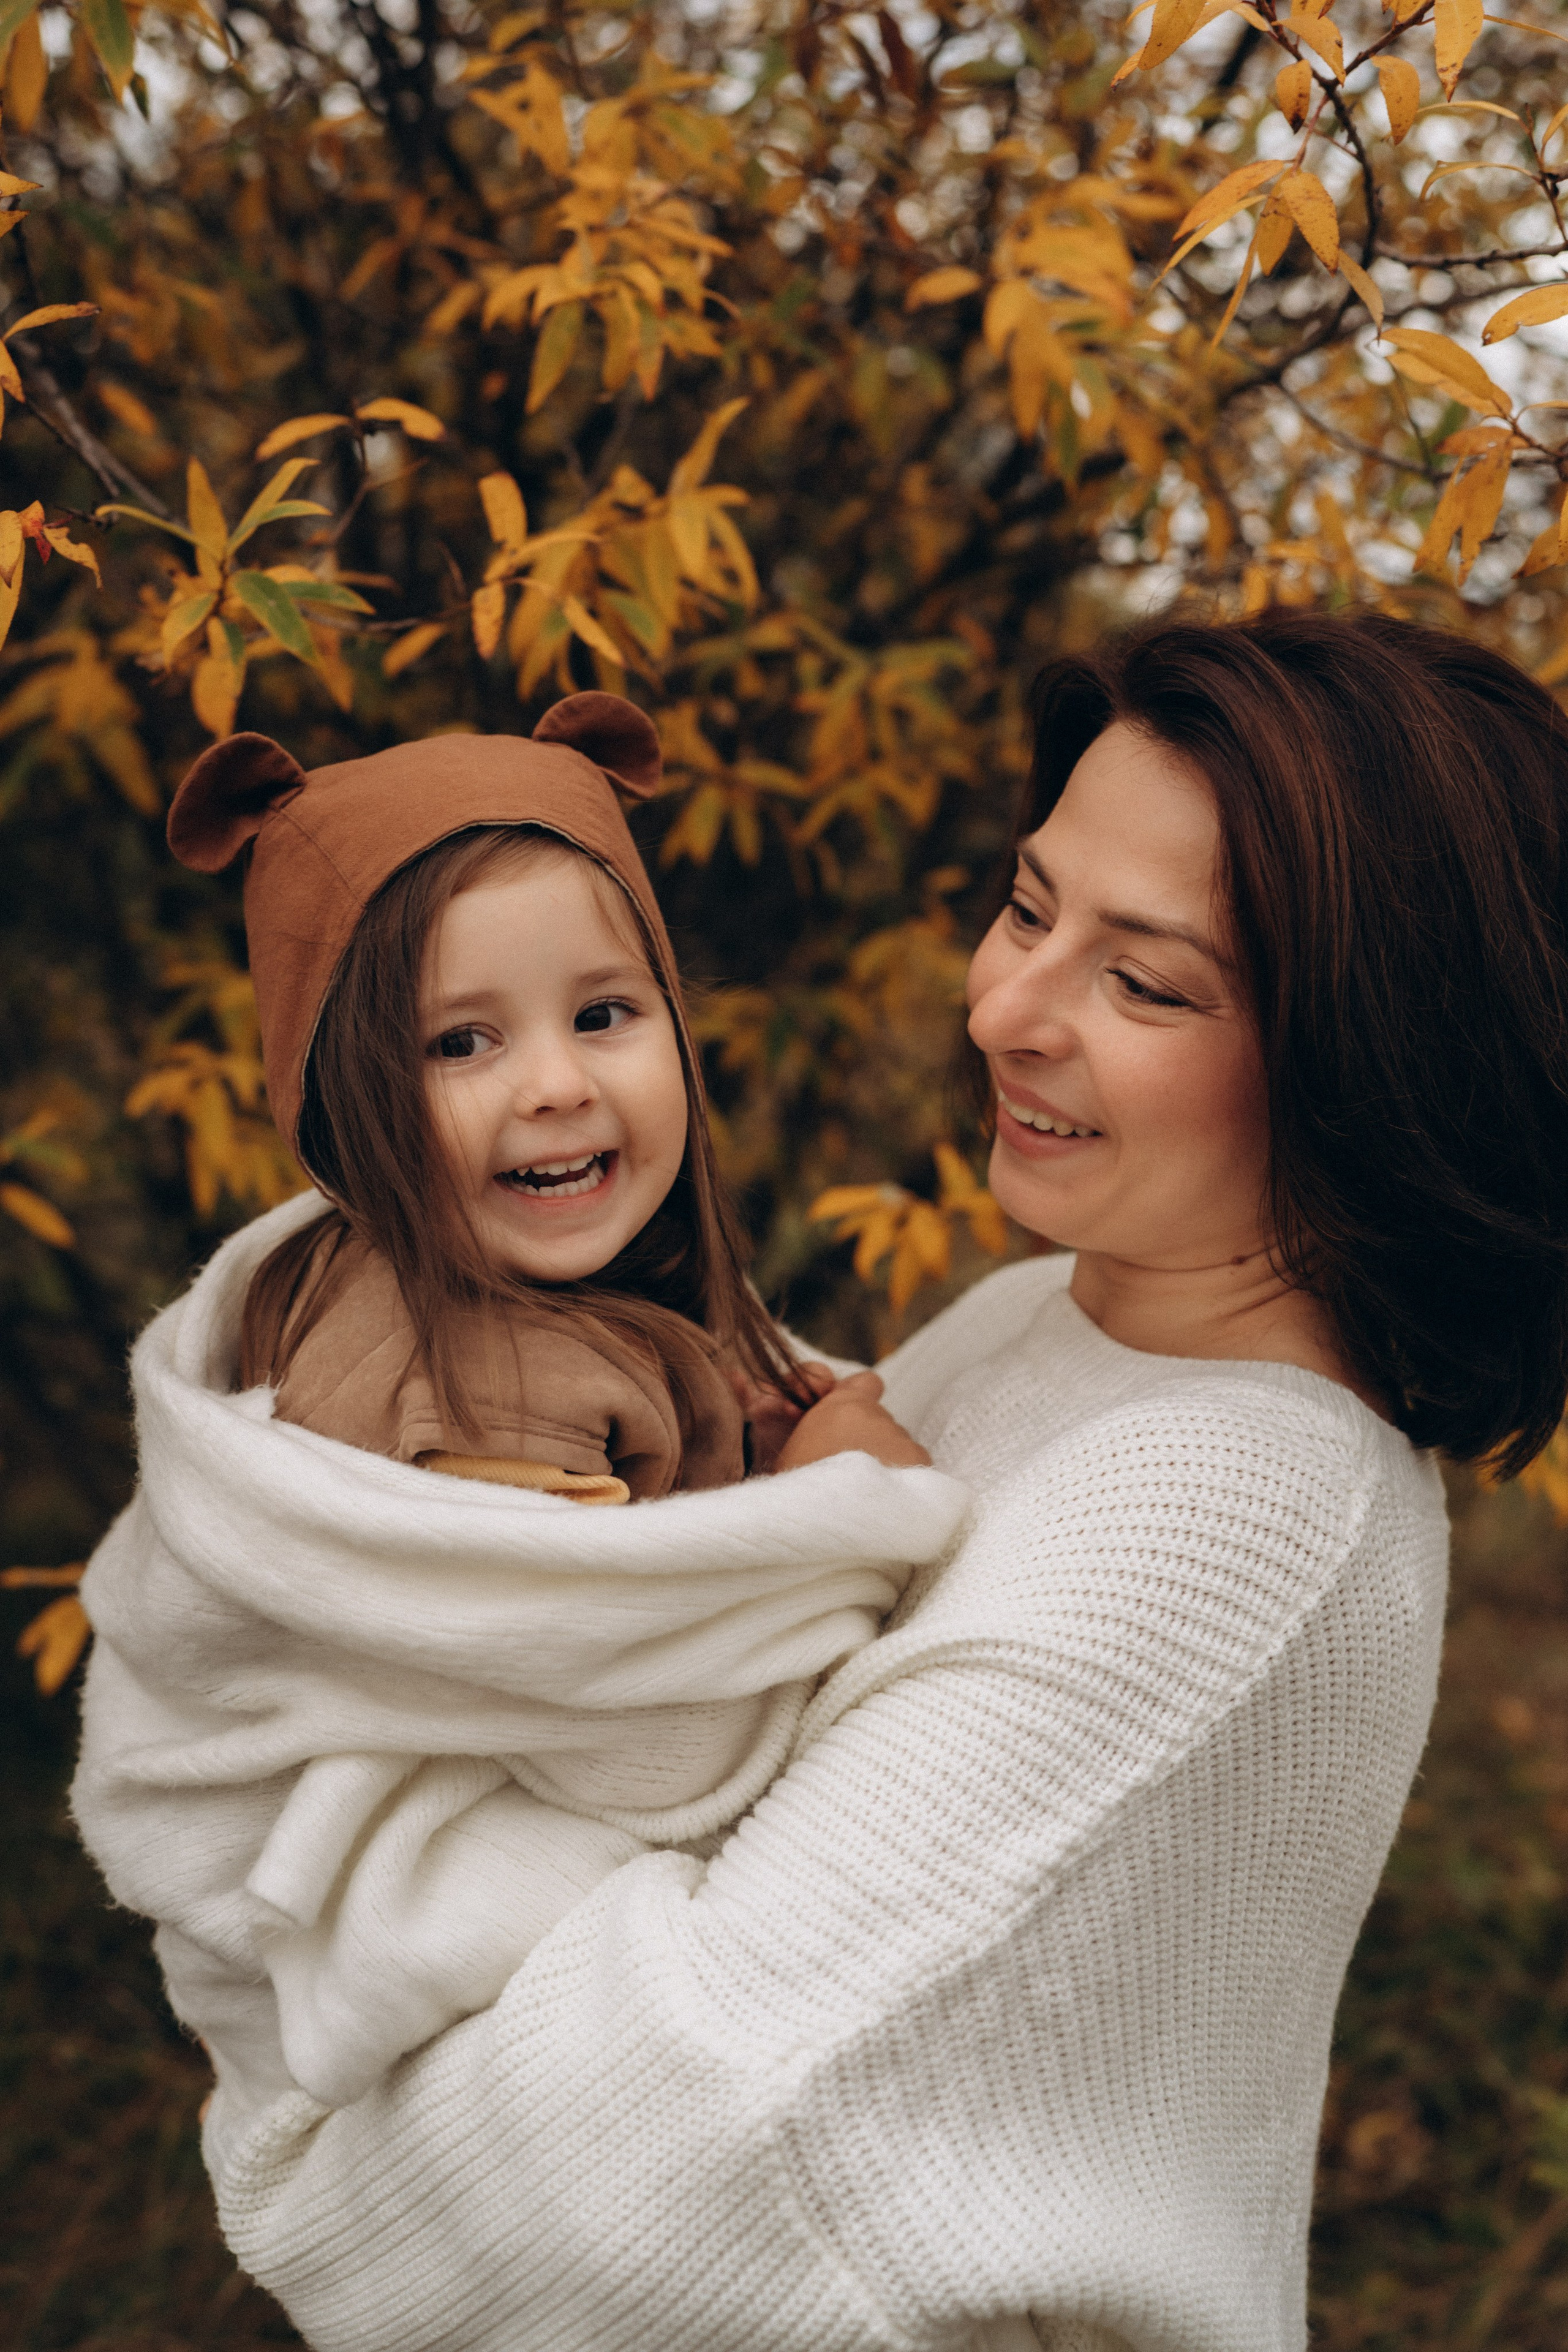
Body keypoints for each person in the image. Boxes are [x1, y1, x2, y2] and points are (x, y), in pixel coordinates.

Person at [87, 612, 1568, 2352]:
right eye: (1029, 907)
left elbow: (646, 2164)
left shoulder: (1240, 1522)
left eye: (1144, 980)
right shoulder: (1049, 1316)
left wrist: (306, 2119)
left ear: (1370, 1059)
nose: (1007, 1008)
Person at [71, 693, 960, 2141]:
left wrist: (733, 1427)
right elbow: (623, 1728)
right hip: (445, 1889)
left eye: (602, 1015)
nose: (555, 1085)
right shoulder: (486, 1387)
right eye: (459, 1044)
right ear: (341, 1099)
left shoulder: (400, 1278)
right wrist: (834, 1497)